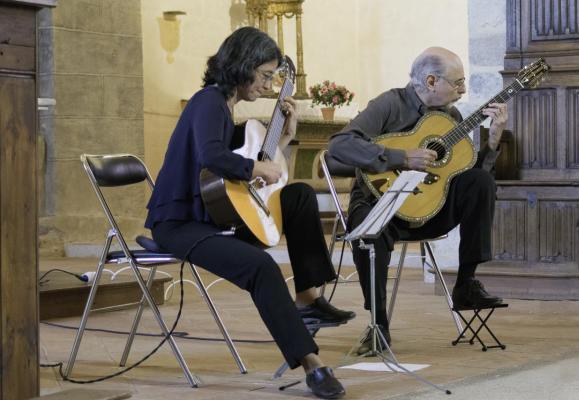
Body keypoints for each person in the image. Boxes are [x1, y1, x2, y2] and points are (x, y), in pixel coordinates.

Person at [146, 27, 353, 399]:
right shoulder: (207, 102)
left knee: (300, 195)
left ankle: (307, 297)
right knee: (262, 267)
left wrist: (285, 139)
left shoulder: (226, 108)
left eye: (273, 77)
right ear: (241, 66)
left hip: (212, 215)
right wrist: (259, 170)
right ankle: (313, 367)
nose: (269, 85)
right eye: (264, 76)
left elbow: (246, 168)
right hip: (179, 224)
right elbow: (213, 157)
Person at [328, 47, 507, 355]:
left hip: (428, 207)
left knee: (481, 182)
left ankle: (466, 284)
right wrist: (400, 157)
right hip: (379, 202)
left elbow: (463, 176)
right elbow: (339, 146)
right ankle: (378, 325)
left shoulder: (450, 117)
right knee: (369, 232)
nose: (463, 89)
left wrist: (492, 142)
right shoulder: (389, 104)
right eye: (458, 82)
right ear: (431, 80)